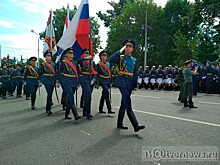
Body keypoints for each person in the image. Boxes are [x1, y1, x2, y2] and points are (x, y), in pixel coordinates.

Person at [109, 39, 145, 132]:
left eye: (130, 47)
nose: (128, 48)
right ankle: (135, 124)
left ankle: (119, 123)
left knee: (124, 103)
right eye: (126, 46)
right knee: (127, 102)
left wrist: (134, 85)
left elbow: (135, 73)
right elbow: (111, 59)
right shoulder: (120, 57)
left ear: (132, 49)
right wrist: (120, 50)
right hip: (122, 81)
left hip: (129, 82)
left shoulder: (134, 60)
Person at [58, 48, 81, 120]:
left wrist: (78, 82)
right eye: (70, 53)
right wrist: (61, 82)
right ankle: (75, 114)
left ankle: (66, 114)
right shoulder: (63, 62)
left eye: (72, 53)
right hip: (66, 82)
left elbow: (78, 73)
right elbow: (60, 74)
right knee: (71, 96)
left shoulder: (75, 63)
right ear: (66, 55)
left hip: (74, 81)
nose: (71, 54)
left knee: (69, 99)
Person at [78, 49, 97, 120]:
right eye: (86, 53)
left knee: (88, 96)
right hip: (84, 79)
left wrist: (94, 79)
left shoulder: (92, 63)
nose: (88, 54)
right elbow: (78, 61)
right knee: (88, 95)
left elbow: (95, 72)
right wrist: (85, 58)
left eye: (88, 53)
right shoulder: (82, 61)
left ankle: (85, 111)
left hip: (91, 79)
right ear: (83, 54)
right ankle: (88, 113)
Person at [40, 50, 56, 116]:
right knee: (49, 93)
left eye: (50, 56)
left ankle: (49, 104)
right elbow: (40, 73)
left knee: (50, 94)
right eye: (47, 56)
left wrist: (57, 81)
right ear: (45, 57)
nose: (49, 57)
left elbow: (56, 73)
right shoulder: (43, 65)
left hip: (52, 80)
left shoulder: (54, 65)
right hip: (46, 80)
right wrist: (40, 81)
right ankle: (48, 109)